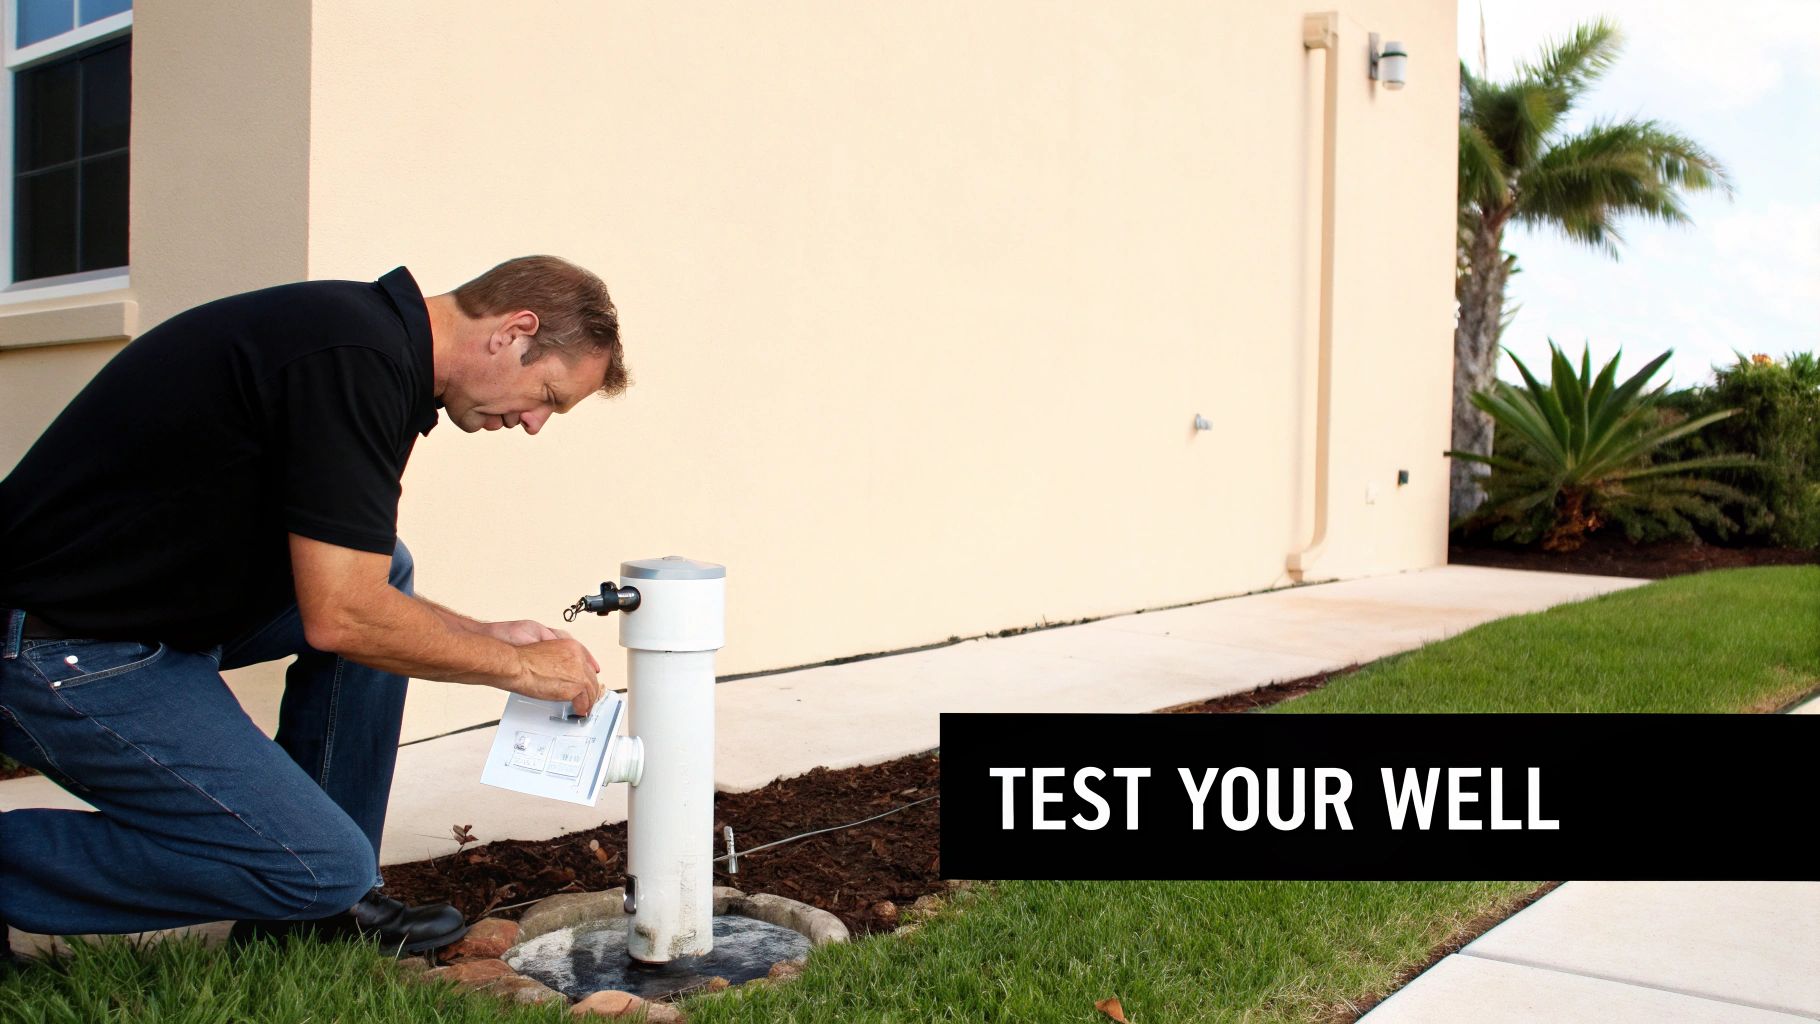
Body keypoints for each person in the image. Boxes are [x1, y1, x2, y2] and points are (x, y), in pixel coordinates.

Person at [0, 256, 623, 959]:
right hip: (53, 642)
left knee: (387, 566)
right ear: (514, 331)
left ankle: (324, 908)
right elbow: (344, 616)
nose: (536, 423)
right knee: (312, 866)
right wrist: (520, 668)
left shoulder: (371, 345)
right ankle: (318, 884)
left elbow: (356, 583)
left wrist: (486, 632)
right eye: (548, 394)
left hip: (144, 614)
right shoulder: (350, 361)